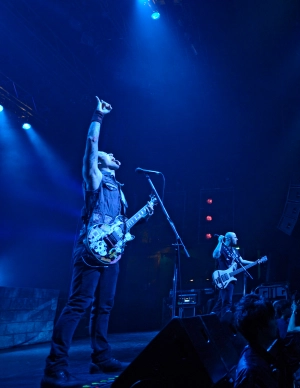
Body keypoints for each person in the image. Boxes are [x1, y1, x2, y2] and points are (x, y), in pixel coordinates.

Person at [41, 97, 154, 388]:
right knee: (79, 303)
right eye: (107, 153)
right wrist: (98, 117)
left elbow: (120, 228)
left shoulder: (121, 191)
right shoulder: (95, 177)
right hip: (90, 251)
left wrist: (142, 216)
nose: (112, 154)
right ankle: (55, 366)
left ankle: (101, 358)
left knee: (105, 306)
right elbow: (91, 146)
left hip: (112, 254)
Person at [233, 294, 284, 388]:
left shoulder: (257, 355)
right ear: (260, 327)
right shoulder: (251, 371)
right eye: (272, 318)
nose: (276, 322)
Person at [211, 232, 255, 317]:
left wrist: (255, 262)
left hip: (230, 279)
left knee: (220, 302)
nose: (237, 239)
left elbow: (241, 261)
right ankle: (224, 322)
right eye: (235, 237)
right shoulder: (222, 248)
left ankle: (211, 317)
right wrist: (220, 241)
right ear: (228, 239)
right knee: (227, 302)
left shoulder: (234, 250)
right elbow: (215, 255)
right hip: (224, 278)